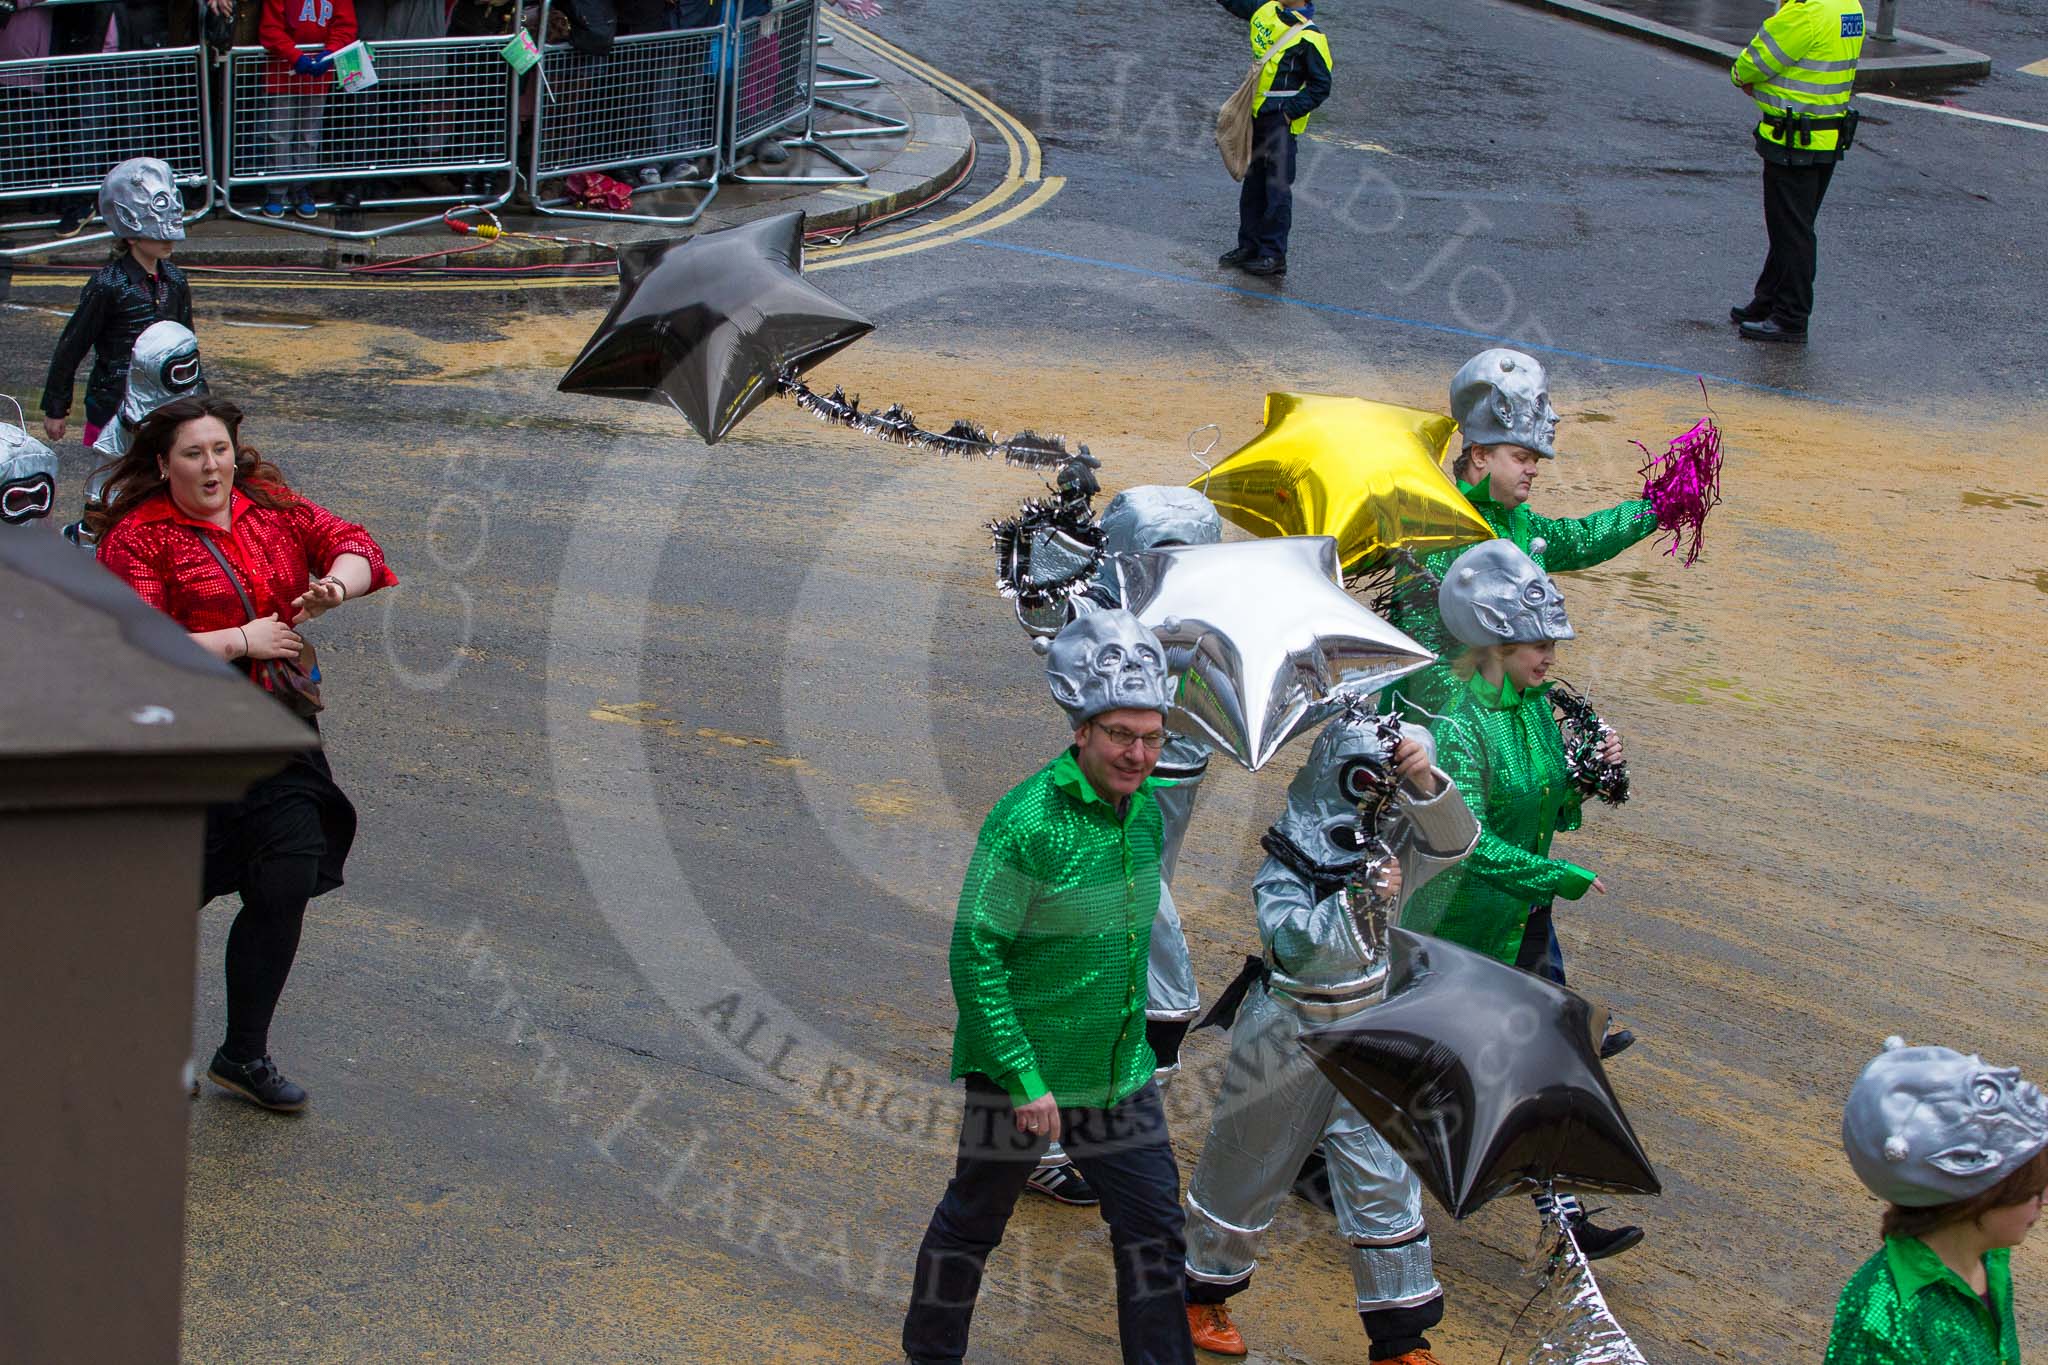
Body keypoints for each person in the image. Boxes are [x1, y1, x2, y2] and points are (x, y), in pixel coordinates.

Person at [902, 610, 1195, 1365]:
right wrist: (1025, 1079)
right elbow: (976, 955)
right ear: (1082, 731)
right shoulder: (1026, 822)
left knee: (1155, 1230)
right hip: (1022, 1072)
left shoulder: (1142, 818)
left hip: (1118, 1070)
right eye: (1120, 735)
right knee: (974, 1221)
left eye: (1151, 736)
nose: (1138, 753)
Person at [92, 395, 397, 1111]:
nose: (212, 465)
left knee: (286, 876)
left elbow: (358, 544)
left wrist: (333, 586)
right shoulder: (139, 539)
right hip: (180, 743)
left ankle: (243, 1053)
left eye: (220, 449)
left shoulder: (270, 507)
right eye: (194, 454)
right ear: (163, 463)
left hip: (273, 731)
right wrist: (242, 640)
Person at [1181, 705, 1478, 1363]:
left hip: (1371, 1029)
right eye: (1380, 779)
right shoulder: (1289, 852)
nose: (1387, 795)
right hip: (1288, 1032)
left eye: (1396, 782)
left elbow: (1457, 842)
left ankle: (1402, 1337)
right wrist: (1361, 899)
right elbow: (1295, 942)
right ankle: (1200, 1291)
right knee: (1245, 1167)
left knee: (1385, 1176)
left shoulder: (1396, 839)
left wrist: (1427, 780)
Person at [1401, 539, 1643, 1257]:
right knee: (1431, 1071)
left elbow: (1549, 810)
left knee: (1547, 1066)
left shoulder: (1535, 707)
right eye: (1537, 643)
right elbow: (1466, 842)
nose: (1550, 658)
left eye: (1553, 643)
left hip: (1523, 921)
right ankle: (1321, 1154)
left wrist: (1590, 775)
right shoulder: (1454, 718)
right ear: (1493, 642)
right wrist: (1560, 879)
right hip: (1455, 926)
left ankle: (1563, 1218)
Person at [1010, 486, 1225, 1208]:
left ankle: (1065, 1139)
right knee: (1164, 998)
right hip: (1105, 836)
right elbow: (1045, 616)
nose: (1184, 571)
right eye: (1168, 555)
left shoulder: (1213, 622)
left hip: (1151, 841)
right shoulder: (1103, 620)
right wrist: (1043, 551)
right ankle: (1094, 1139)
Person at [1386, 349, 1656, 724]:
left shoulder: (1520, 523)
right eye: (1521, 458)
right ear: (1480, 455)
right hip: (1449, 729)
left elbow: (1578, 541)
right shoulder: (1440, 533)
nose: (1533, 470)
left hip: (1510, 713)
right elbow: (1422, 657)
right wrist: (1477, 727)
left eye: (1535, 461)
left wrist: (1654, 509)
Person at [1828, 1037, 2048, 1362]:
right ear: (1979, 1196)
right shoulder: (1882, 1316)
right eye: (2033, 1190)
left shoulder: (1988, 1261)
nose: (2044, 1200)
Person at [1729, 0, 1864, 343]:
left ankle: (1790, 317)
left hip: (1792, 140)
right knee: (1792, 226)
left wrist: (1747, 80)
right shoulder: (1848, 7)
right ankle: (1767, 301)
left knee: (1791, 231)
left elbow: (1748, 66)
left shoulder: (1803, 13)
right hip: (1826, 136)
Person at [39, 158, 194, 453]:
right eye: (157, 233)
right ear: (131, 234)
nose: (168, 240)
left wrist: (199, 400)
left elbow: (186, 346)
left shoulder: (175, 281)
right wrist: (56, 407)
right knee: (111, 481)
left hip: (166, 401)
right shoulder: (108, 285)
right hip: (113, 402)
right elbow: (72, 346)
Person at [1211, 0, 1331, 278]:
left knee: (1276, 191)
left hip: (1280, 124)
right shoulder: (1266, 9)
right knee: (1253, 187)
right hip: (1255, 117)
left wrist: (1287, 114)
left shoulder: (1311, 38)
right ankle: (1249, 247)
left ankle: (1273, 255)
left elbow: (1321, 85)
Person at [258, 0, 357, 219]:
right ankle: (276, 191)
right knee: (279, 134)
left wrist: (330, 52)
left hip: (317, 76)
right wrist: (294, 55)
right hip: (282, 74)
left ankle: (301, 188)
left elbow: (345, 27)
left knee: (309, 135)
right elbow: (270, 29)